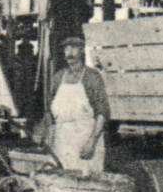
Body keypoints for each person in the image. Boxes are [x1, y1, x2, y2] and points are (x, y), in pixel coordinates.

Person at [38, 36, 110, 175]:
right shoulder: (58, 77)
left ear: (82, 50)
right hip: (62, 139)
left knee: (85, 180)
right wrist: (50, 133)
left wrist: (92, 142)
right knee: (60, 178)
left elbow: (102, 113)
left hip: (84, 138)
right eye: (66, 49)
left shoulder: (92, 77)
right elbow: (48, 109)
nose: (69, 53)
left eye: (73, 48)